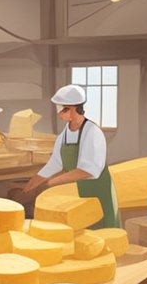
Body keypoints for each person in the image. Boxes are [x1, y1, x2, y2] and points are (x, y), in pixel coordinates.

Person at [21, 84, 121, 229]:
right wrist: (29, 188)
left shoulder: (92, 132)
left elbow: (87, 171)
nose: (58, 113)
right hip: (78, 192)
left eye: (61, 109)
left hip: (98, 193)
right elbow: (54, 164)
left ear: (73, 108)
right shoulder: (64, 135)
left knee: (102, 232)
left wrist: (50, 183)